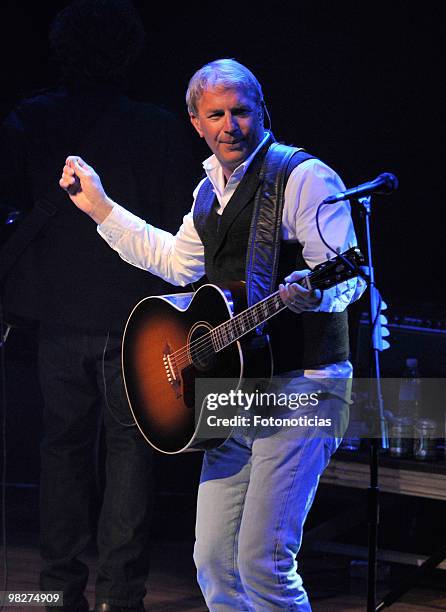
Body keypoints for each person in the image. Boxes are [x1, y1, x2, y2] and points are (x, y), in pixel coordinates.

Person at [60, 58, 366, 611]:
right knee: (214, 563)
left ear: (261, 112)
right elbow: (175, 264)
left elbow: (346, 276)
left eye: (241, 112)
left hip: (304, 384)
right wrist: (101, 208)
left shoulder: (302, 178)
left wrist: (315, 292)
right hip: (238, 390)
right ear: (196, 122)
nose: (231, 125)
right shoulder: (210, 193)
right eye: (216, 115)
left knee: (262, 560)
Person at [0, 1, 197, 611]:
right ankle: (121, 594)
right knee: (128, 454)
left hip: (56, 314)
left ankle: (58, 591)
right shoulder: (160, 126)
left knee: (61, 450)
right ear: (131, 51)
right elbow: (176, 230)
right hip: (136, 317)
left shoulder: (31, 119)